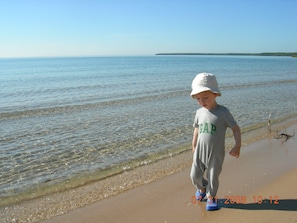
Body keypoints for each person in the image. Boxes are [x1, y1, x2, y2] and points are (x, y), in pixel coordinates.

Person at [190, 72, 241, 211]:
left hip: (216, 152)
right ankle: (202, 188)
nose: (202, 102)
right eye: (198, 99)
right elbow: (196, 129)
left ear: (215, 94)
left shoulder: (223, 112)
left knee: (213, 176)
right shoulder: (199, 113)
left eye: (205, 97)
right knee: (194, 175)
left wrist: (237, 145)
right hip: (200, 150)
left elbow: (236, 129)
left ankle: (211, 197)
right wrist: (194, 145)